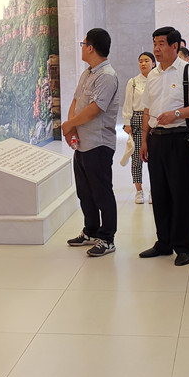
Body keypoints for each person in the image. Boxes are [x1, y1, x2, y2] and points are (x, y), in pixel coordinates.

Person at [139, 27, 189, 266]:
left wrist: (175, 114)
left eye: (162, 44)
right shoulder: (153, 75)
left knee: (181, 193)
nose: (157, 48)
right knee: (160, 192)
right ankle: (163, 242)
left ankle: (185, 246)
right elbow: (147, 109)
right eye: (155, 43)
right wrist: (144, 140)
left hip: (180, 138)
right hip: (156, 139)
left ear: (175, 46)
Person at [64, 28, 122, 258]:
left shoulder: (106, 75)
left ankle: (107, 238)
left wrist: (70, 124)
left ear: (90, 47)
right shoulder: (87, 73)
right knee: (85, 192)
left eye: (83, 43)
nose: (82, 47)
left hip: (98, 143)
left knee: (101, 193)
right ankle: (90, 231)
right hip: (82, 143)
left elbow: (95, 109)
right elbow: (76, 100)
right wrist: (71, 127)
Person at [122, 51, 155, 203]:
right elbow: (128, 104)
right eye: (141, 61)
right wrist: (127, 123)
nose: (143, 63)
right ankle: (139, 191)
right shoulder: (133, 82)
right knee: (136, 157)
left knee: (154, 157)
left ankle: (154, 190)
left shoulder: (157, 80)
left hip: (154, 119)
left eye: (146, 60)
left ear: (153, 63)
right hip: (137, 119)